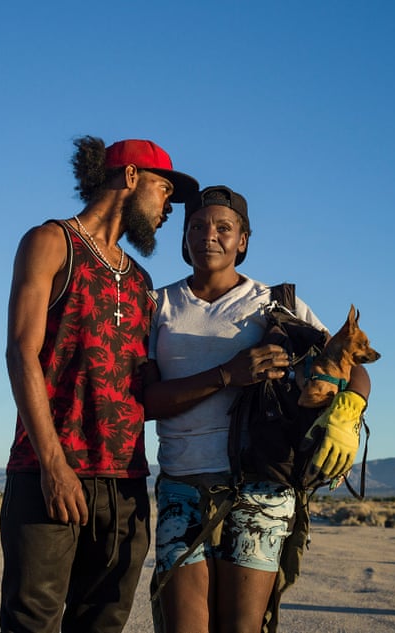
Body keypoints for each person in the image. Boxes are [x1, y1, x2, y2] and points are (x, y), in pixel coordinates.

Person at [143, 185, 371, 633]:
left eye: (224, 228)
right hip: (182, 486)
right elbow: (147, 402)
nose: (210, 235)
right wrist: (227, 374)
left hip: (262, 489)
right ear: (184, 238)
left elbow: (353, 366)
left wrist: (348, 412)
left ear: (243, 240)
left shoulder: (276, 304)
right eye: (197, 226)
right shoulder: (158, 306)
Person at [0, 136, 199, 633]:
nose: (168, 207)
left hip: (126, 487)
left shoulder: (141, 282)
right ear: (129, 177)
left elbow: (139, 392)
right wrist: (52, 466)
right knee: (32, 624)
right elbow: (20, 353)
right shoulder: (50, 242)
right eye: (163, 190)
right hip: (48, 477)